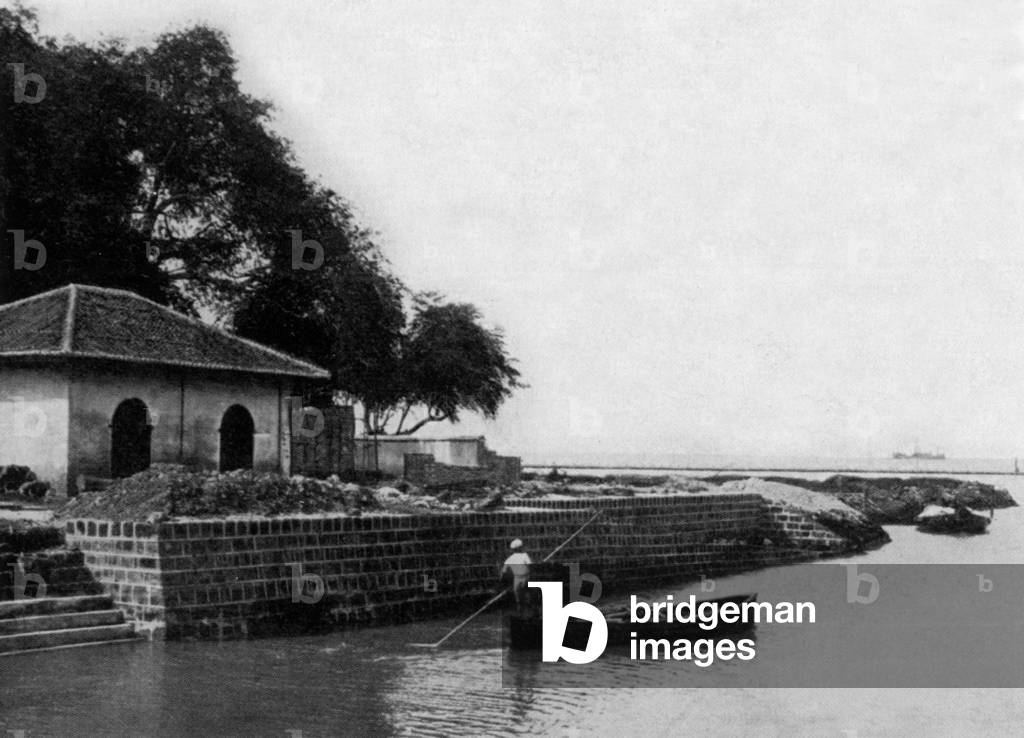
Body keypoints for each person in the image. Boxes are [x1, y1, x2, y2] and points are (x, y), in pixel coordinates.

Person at [500, 539, 532, 614]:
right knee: (527, 594)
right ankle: (527, 610)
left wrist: (502, 582)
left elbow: (503, 572)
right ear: (520, 548)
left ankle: (520, 611)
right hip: (526, 577)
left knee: (518, 596)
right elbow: (531, 566)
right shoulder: (525, 556)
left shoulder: (509, 559)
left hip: (517, 579)